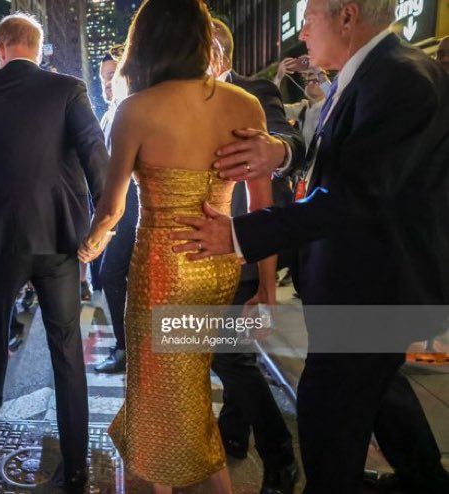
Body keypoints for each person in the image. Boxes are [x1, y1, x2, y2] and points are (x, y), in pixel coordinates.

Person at [172, 0, 449, 492]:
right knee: (383, 397)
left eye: (309, 18)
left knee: (326, 422)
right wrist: (280, 151)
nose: (301, 34)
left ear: (347, 16)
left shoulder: (402, 77)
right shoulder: (367, 73)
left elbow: (354, 196)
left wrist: (239, 235)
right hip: (360, 286)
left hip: (374, 291)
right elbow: (331, 154)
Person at [78, 0, 275, 492]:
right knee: (186, 388)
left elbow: (112, 209)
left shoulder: (136, 109)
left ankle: (160, 478)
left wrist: (89, 247)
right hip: (221, 266)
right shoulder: (243, 104)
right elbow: (264, 209)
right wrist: (267, 286)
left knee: (156, 394)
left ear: (146, 43)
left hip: (163, 269)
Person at [0, 13, 107, 491]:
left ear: (0, 47)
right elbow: (97, 159)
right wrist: (101, 227)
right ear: (40, 45)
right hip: (59, 240)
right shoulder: (68, 89)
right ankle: (75, 466)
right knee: (67, 348)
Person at [207, 18, 304, 494]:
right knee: (233, 353)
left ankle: (280, 455)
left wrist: (267, 284)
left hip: (251, 242)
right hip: (217, 248)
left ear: (218, 55)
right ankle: (235, 432)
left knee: (229, 355)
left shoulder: (253, 92)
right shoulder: (193, 103)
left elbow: (280, 161)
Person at [94, 50, 137, 374]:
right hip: (116, 205)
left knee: (112, 274)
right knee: (117, 276)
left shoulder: (131, 110)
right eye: (103, 76)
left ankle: (126, 348)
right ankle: (129, 346)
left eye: (112, 74)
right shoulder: (109, 113)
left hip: (132, 206)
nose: (107, 81)